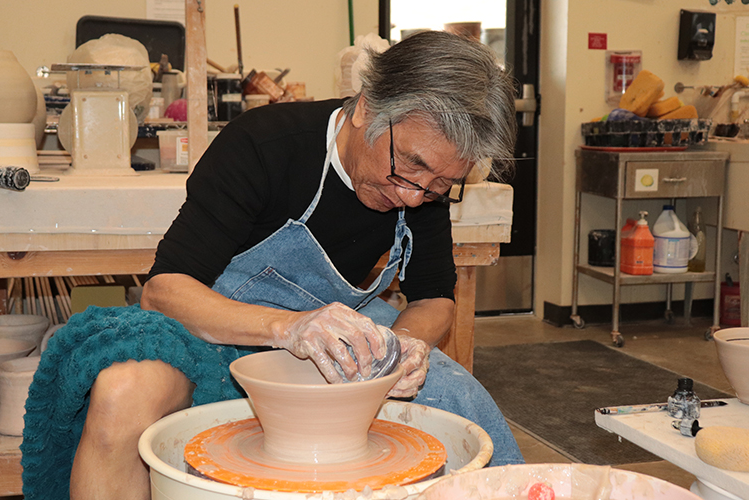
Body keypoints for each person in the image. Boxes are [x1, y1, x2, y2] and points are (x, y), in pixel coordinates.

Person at [33, 30, 522, 500]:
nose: (414, 195)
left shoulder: (422, 182)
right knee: (122, 392)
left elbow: (435, 297)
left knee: (462, 397)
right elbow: (164, 290)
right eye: (409, 167)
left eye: (439, 186)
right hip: (217, 324)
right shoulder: (264, 145)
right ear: (367, 108)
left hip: (339, 338)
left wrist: (408, 345)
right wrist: (290, 328)